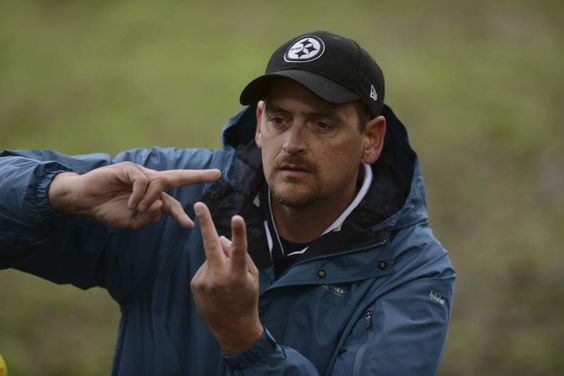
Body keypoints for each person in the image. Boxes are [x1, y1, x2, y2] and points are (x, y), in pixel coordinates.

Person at [0, 31, 455, 375]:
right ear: (259, 123)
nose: (292, 144)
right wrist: (59, 194)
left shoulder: (412, 271)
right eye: (279, 119)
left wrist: (244, 338)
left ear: (371, 139)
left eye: (322, 125)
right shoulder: (167, 191)